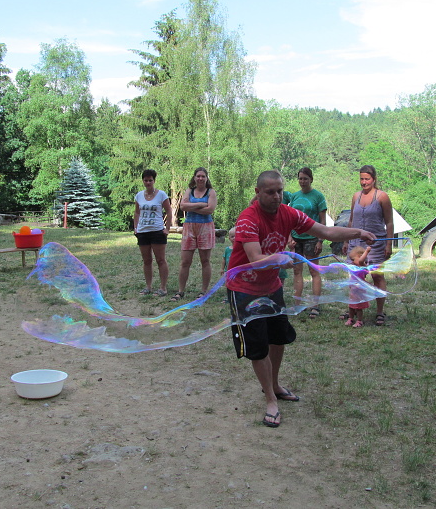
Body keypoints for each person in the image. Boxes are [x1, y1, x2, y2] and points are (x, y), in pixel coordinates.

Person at [226, 170, 375, 428]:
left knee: (278, 338)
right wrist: (279, 258)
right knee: (258, 347)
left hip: (271, 287)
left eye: (280, 191)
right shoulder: (248, 219)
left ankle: (274, 384)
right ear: (258, 192)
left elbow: (325, 231)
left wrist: (358, 232)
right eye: (270, 192)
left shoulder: (289, 213)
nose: (276, 196)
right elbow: (255, 258)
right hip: (244, 289)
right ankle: (270, 400)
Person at [344, 165, 393, 326]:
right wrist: (346, 240)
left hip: (376, 243)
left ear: (374, 179)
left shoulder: (382, 197)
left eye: (367, 179)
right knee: (355, 278)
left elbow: (389, 222)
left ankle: (379, 312)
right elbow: (351, 220)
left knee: (377, 276)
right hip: (355, 243)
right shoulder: (356, 196)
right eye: (361, 179)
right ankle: (353, 310)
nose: (364, 182)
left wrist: (389, 244)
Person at [288, 167, 328, 319]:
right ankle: (297, 304)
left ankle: (315, 305)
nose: (302, 181)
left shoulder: (318, 196)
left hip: (312, 238)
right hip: (296, 238)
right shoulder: (294, 197)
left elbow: (323, 221)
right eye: (300, 178)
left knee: (313, 271)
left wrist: (320, 240)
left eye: (305, 178)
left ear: (311, 179)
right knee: (297, 271)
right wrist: (289, 237)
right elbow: (289, 219)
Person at [172, 167, 218, 301]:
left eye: (203, 176)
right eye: (198, 176)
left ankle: (204, 291)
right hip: (189, 227)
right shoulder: (189, 191)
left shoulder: (211, 192)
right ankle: (180, 291)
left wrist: (191, 206)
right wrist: (201, 204)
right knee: (185, 261)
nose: (200, 178)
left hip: (206, 227)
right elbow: (182, 206)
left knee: (205, 261)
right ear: (194, 177)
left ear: (206, 178)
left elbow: (210, 210)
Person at [134, 169, 172, 296]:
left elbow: (169, 211)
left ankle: (163, 287)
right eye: (146, 180)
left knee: (160, 260)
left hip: (157, 231)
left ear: (154, 181)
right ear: (143, 181)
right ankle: (148, 287)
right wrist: (135, 228)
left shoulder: (161, 195)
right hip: (143, 232)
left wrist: (167, 228)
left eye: (150, 180)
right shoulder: (139, 196)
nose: (148, 182)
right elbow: (137, 212)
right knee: (146, 260)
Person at [344, 245, 371, 328]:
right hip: (353, 289)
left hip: (360, 290)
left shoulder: (363, 266)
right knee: (351, 306)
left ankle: (359, 321)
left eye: (353, 259)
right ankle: (351, 318)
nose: (351, 262)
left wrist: (367, 251)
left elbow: (361, 260)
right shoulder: (354, 266)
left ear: (360, 256)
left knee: (359, 307)